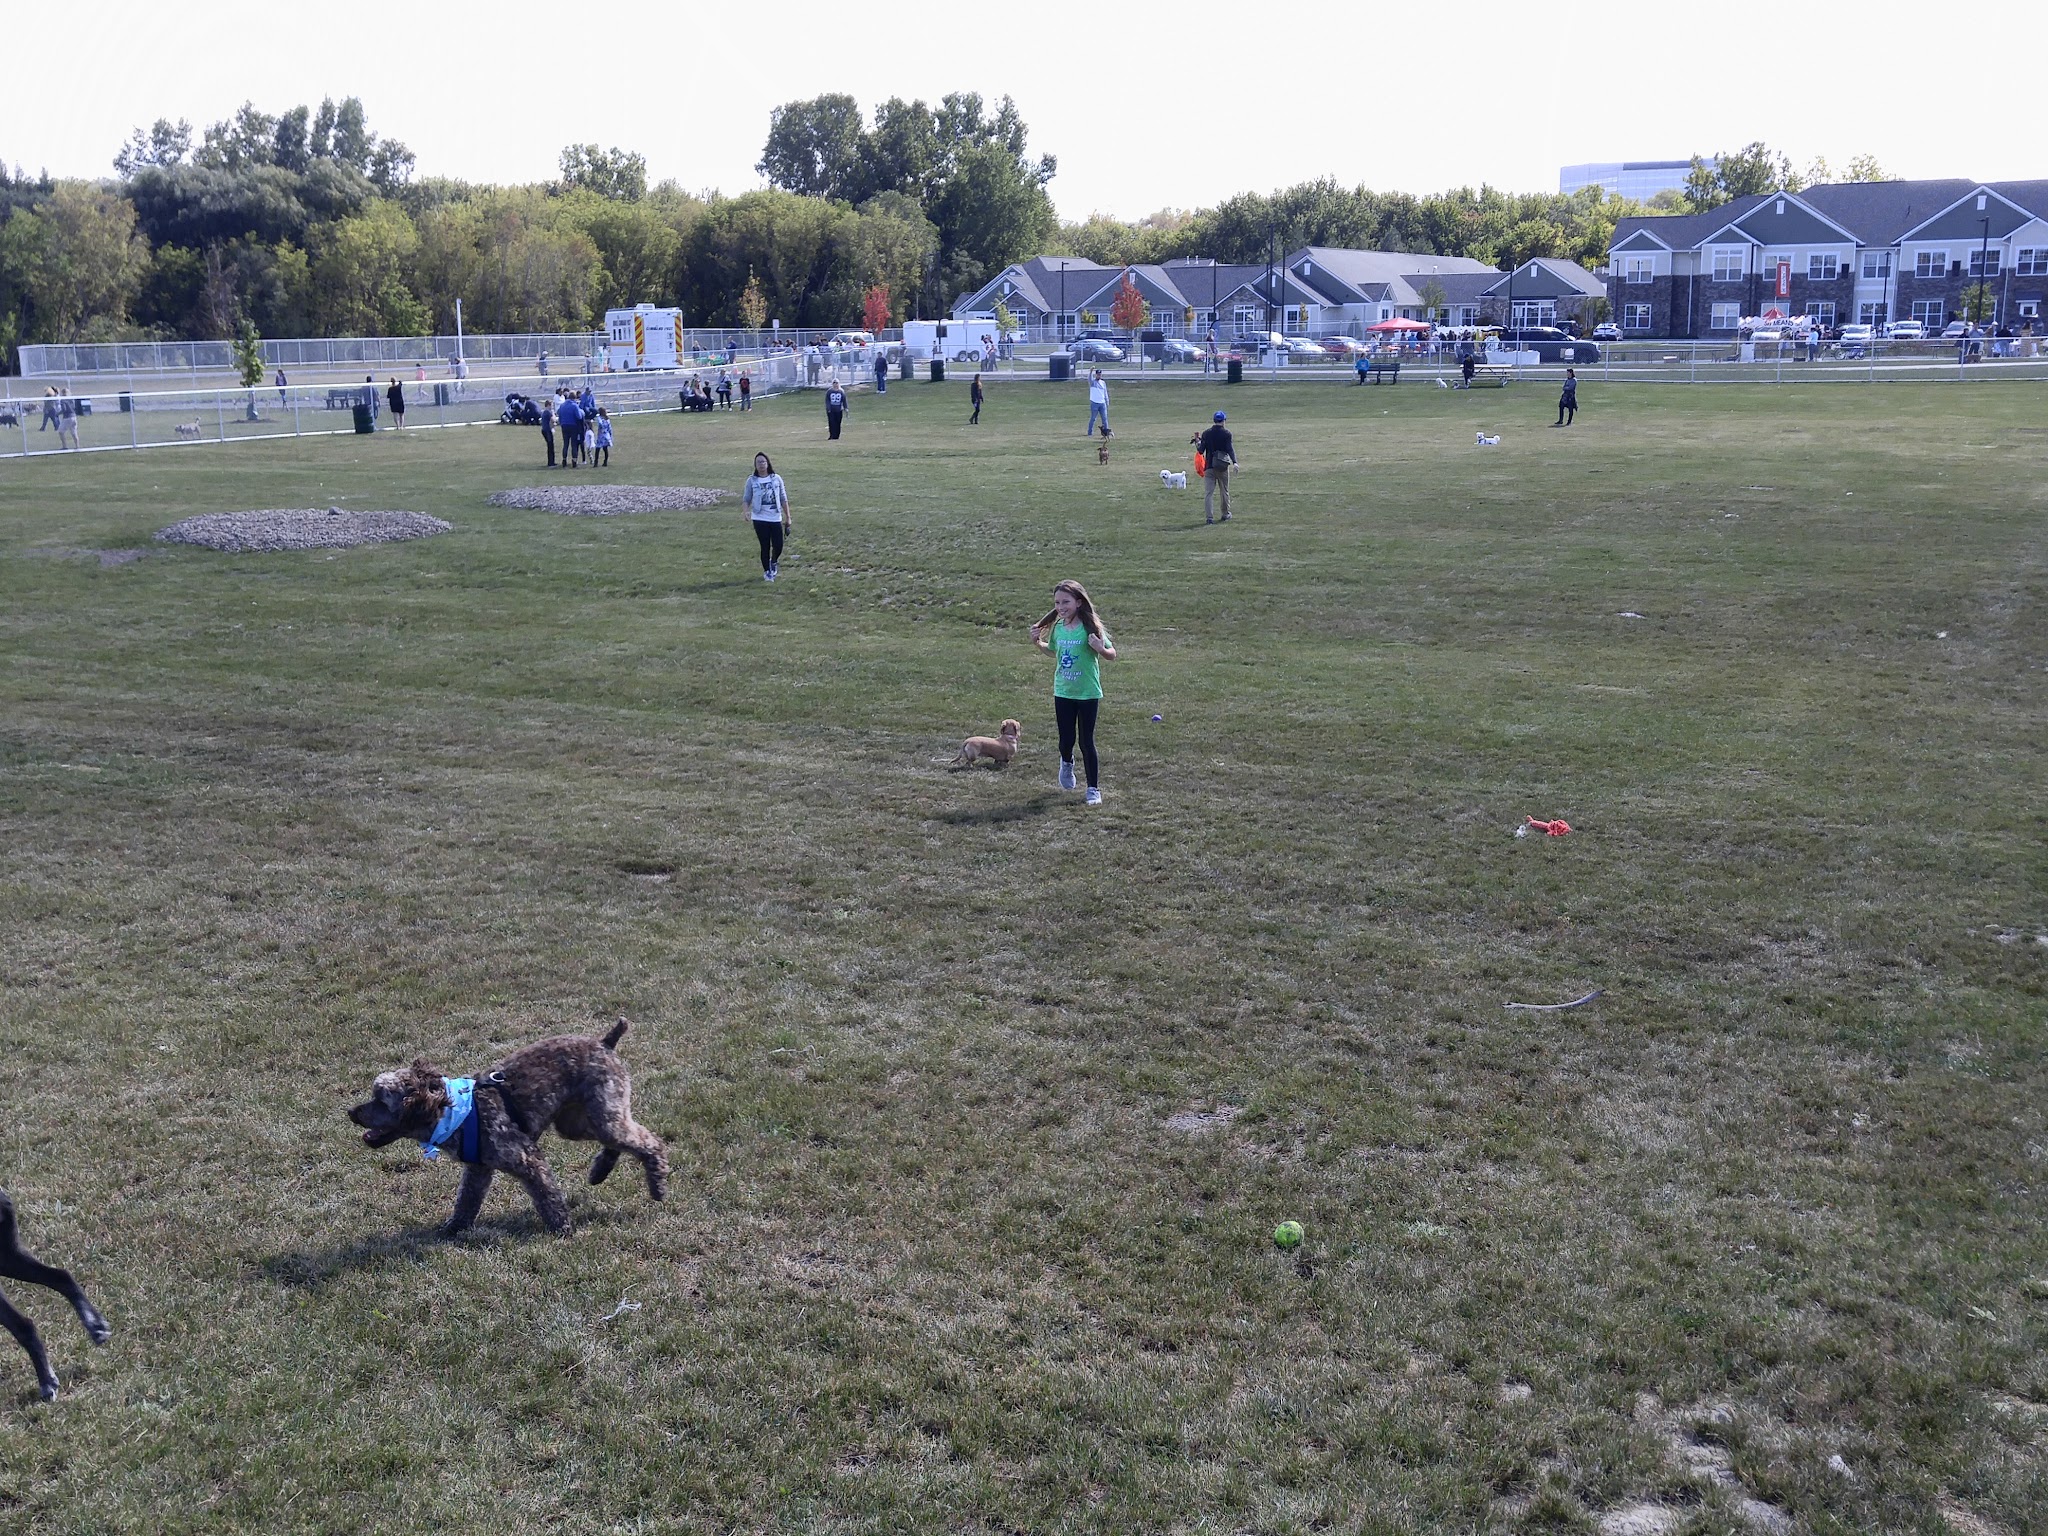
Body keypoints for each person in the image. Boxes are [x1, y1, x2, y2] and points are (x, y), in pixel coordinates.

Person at [1030, 579, 1117, 806]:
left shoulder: (1090, 628)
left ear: (1078, 602)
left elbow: (1111, 654)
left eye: (1066, 602)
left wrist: (1101, 649)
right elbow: (1053, 652)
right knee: (1066, 740)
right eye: (1057, 602)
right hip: (1063, 692)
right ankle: (1066, 763)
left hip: (1088, 693)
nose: (1061, 607)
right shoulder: (1058, 628)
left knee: (1086, 742)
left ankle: (1092, 789)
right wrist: (1037, 643)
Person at [743, 452, 791, 582]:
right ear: (755, 465)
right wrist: (746, 512)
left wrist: (788, 517)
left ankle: (774, 561)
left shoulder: (776, 478)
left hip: (775, 517)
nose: (761, 465)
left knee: (778, 545)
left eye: (763, 462)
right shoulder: (752, 480)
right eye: (758, 462)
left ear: (768, 463)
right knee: (765, 546)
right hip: (759, 518)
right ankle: (767, 572)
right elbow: (747, 498)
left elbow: (783, 498)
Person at [1195, 410, 1236, 523]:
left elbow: (1201, 450)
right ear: (1223, 421)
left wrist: (1198, 443)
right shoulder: (1227, 434)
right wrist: (1235, 462)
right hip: (1222, 466)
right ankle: (1225, 514)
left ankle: (1209, 518)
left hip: (1209, 466)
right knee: (1224, 491)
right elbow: (1229, 449)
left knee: (1209, 493)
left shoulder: (1206, 433)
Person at [556, 389, 583, 465]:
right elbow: (579, 416)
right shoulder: (574, 406)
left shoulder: (562, 405)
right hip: (573, 426)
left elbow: (559, 415)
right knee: (574, 444)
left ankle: (564, 459)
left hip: (564, 426)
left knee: (565, 443)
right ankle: (574, 460)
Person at [1086, 368, 1109, 437]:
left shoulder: (1103, 383)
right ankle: (1090, 432)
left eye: (1100, 374)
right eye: (1098, 374)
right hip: (1094, 403)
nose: (1099, 376)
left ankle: (1106, 432)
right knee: (1093, 418)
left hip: (1102, 403)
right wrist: (1090, 372)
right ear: (1096, 375)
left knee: (1104, 419)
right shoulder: (1093, 382)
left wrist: (1107, 400)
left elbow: (1105, 392)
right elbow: (1089, 379)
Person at [540, 397, 557, 467]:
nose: (552, 406)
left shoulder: (544, 412)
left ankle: (551, 461)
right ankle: (551, 463)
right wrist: (553, 414)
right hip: (547, 430)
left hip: (544, 430)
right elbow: (553, 420)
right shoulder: (548, 412)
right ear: (548, 405)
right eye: (551, 405)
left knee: (550, 446)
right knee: (550, 446)